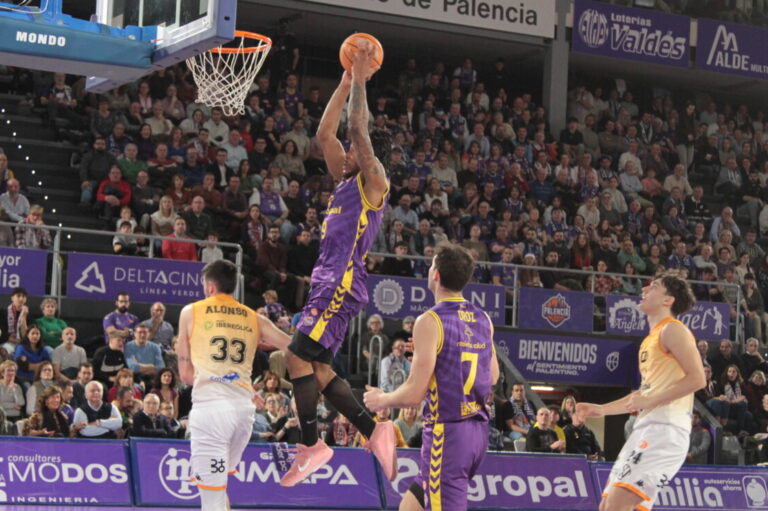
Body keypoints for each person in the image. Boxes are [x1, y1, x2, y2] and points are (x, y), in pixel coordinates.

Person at [280, 44, 396, 487]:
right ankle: (374, 429)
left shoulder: (373, 181)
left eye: (353, 149)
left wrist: (363, 81)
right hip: (328, 283)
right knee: (322, 368)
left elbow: (355, 128)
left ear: (365, 155)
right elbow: (323, 135)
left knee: (294, 356)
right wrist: (345, 81)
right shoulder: (347, 178)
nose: (342, 152)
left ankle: (312, 444)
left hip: (340, 282)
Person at [364, 244, 499, 511]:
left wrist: (383, 398)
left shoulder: (430, 320)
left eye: (430, 265)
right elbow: (492, 375)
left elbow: (415, 393)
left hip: (446, 432)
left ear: (436, 275)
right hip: (477, 433)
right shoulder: (483, 318)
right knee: (409, 507)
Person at [577, 273, 703, 511]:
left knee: (616, 505)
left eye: (654, 286)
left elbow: (697, 378)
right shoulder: (650, 340)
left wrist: (650, 400)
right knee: (607, 505)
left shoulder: (674, 330)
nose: (645, 289)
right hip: (646, 428)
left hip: (665, 429)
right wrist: (601, 409)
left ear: (668, 300)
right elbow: (642, 395)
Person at [175, 260, 292, 511]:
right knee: (219, 489)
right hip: (243, 413)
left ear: (209, 286)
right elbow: (292, 347)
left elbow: (185, 376)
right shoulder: (254, 317)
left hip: (211, 413)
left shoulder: (191, 312)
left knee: (211, 501)